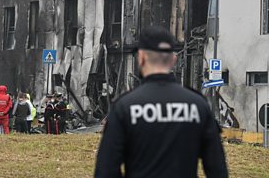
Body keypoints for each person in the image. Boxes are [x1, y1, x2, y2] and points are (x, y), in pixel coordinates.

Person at [95, 26, 228, 178]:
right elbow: (217, 169)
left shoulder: (125, 107)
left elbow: (105, 171)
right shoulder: (198, 105)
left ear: (142, 57)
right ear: (173, 60)